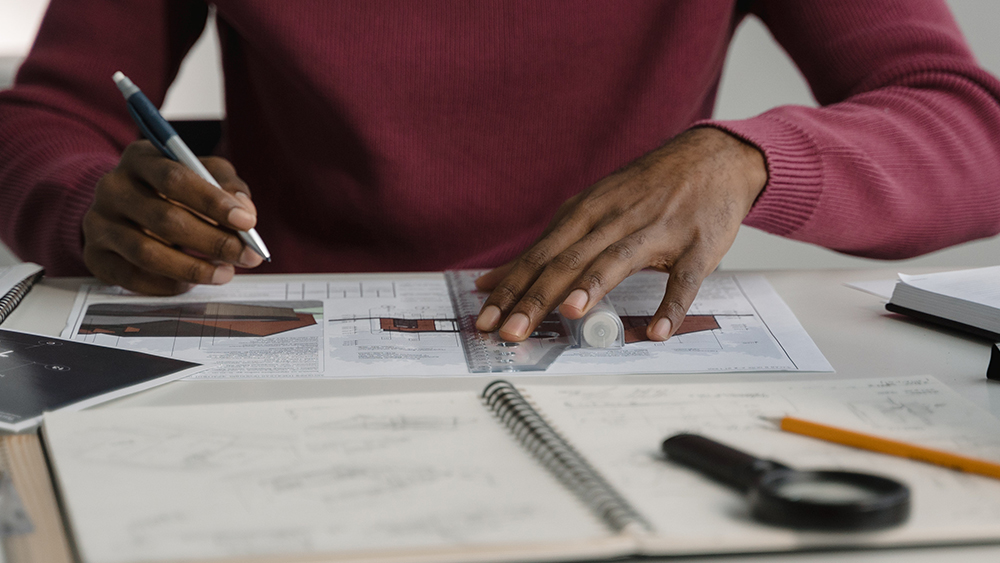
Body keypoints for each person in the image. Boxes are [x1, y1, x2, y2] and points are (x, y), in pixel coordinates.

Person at [1, 1, 999, 343]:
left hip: (617, 353)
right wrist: (93, 204)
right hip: (278, 340)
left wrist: (749, 157)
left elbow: (966, 123)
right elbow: (47, 114)